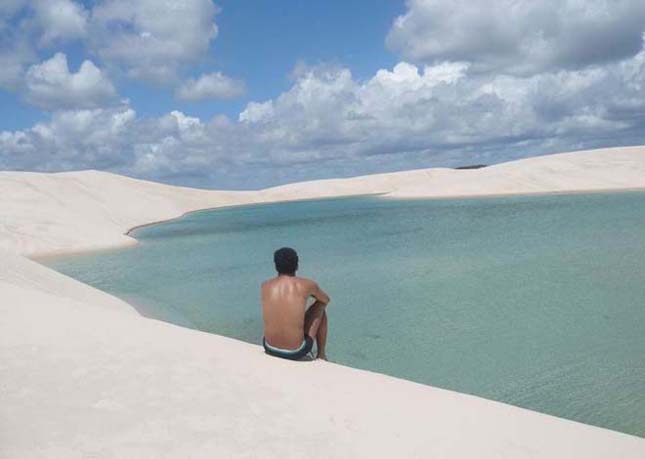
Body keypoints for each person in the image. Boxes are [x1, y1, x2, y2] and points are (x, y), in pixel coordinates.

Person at [261, 247, 330, 361]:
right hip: (295, 352)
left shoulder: (265, 286)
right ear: (297, 265)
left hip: (269, 347)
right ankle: (321, 355)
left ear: (275, 266)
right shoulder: (307, 284)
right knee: (321, 305)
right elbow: (326, 299)